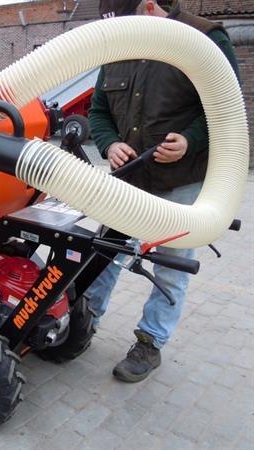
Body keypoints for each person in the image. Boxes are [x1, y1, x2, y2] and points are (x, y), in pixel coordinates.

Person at [84, 0, 240, 382]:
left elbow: (226, 109)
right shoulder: (120, 46)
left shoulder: (204, 38)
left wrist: (190, 140)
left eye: (124, 23)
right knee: (105, 256)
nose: (119, 32)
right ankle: (82, 321)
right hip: (129, 181)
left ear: (149, 6)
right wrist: (108, 143)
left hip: (180, 182)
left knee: (171, 268)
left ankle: (150, 343)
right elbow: (98, 110)